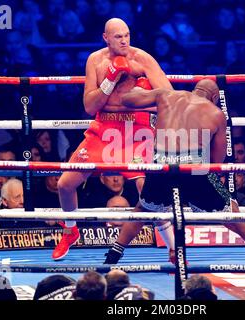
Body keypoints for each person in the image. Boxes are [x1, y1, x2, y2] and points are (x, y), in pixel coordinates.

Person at [104, 79, 245, 283]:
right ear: (214, 98)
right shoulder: (215, 114)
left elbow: (127, 99)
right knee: (234, 216)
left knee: (142, 211)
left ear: (194, 89)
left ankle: (110, 260)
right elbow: (216, 160)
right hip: (195, 170)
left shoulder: (166, 95)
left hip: (161, 167)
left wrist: (137, 88)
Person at [53, 18, 174, 260]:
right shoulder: (95, 61)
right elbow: (89, 106)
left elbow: (169, 96)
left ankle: (174, 249)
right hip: (103, 127)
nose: (124, 40)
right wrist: (110, 80)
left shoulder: (143, 59)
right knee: (65, 184)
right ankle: (70, 230)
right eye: (118, 36)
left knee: (148, 189)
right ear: (105, 38)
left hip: (135, 128)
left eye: (127, 35)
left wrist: (142, 94)